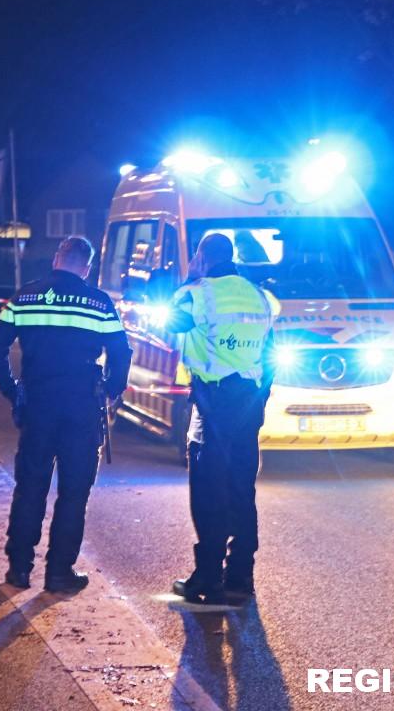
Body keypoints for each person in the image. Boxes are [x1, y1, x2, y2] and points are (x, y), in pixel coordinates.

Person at [0, 236, 132, 594]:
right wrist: (111, 391)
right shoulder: (99, 302)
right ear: (87, 266)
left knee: (30, 487)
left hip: (37, 402)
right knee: (74, 491)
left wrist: (11, 388)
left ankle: (19, 569)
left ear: (56, 259)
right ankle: (59, 573)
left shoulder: (25, 295)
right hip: (81, 406)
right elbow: (121, 352)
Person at [165, 233, 277, 605]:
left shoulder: (198, 292)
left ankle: (208, 577)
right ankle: (241, 576)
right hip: (248, 404)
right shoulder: (259, 296)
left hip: (212, 405)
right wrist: (260, 396)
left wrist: (188, 280)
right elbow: (271, 353)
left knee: (208, 489)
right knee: (242, 489)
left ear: (202, 257)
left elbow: (171, 326)